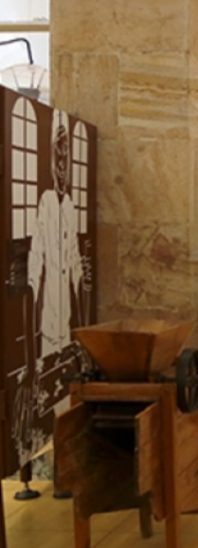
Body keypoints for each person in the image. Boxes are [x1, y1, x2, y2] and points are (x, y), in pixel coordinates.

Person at [21, 112, 84, 464]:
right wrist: (30, 359)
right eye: (58, 155)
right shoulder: (45, 203)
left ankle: (68, 460)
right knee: (50, 396)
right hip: (49, 322)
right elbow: (35, 271)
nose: (62, 165)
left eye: (67, 156)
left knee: (67, 396)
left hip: (68, 322)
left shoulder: (70, 206)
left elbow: (76, 266)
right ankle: (53, 462)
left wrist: (84, 332)